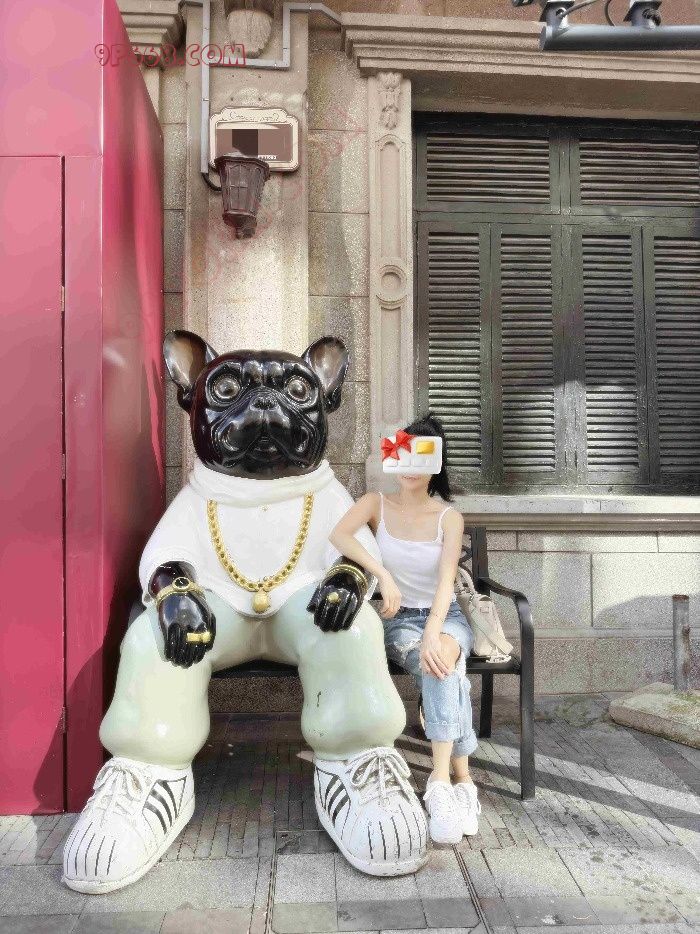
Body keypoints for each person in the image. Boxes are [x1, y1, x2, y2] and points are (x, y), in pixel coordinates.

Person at [329, 414, 481, 845]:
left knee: (441, 662)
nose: (412, 465)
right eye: (405, 452)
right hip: (399, 621)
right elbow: (340, 535)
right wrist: (381, 573)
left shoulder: (449, 517)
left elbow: (447, 580)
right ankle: (463, 781)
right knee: (449, 673)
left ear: (436, 462)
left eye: (423, 455)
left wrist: (434, 630)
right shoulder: (375, 503)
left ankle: (440, 782)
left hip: (446, 618)